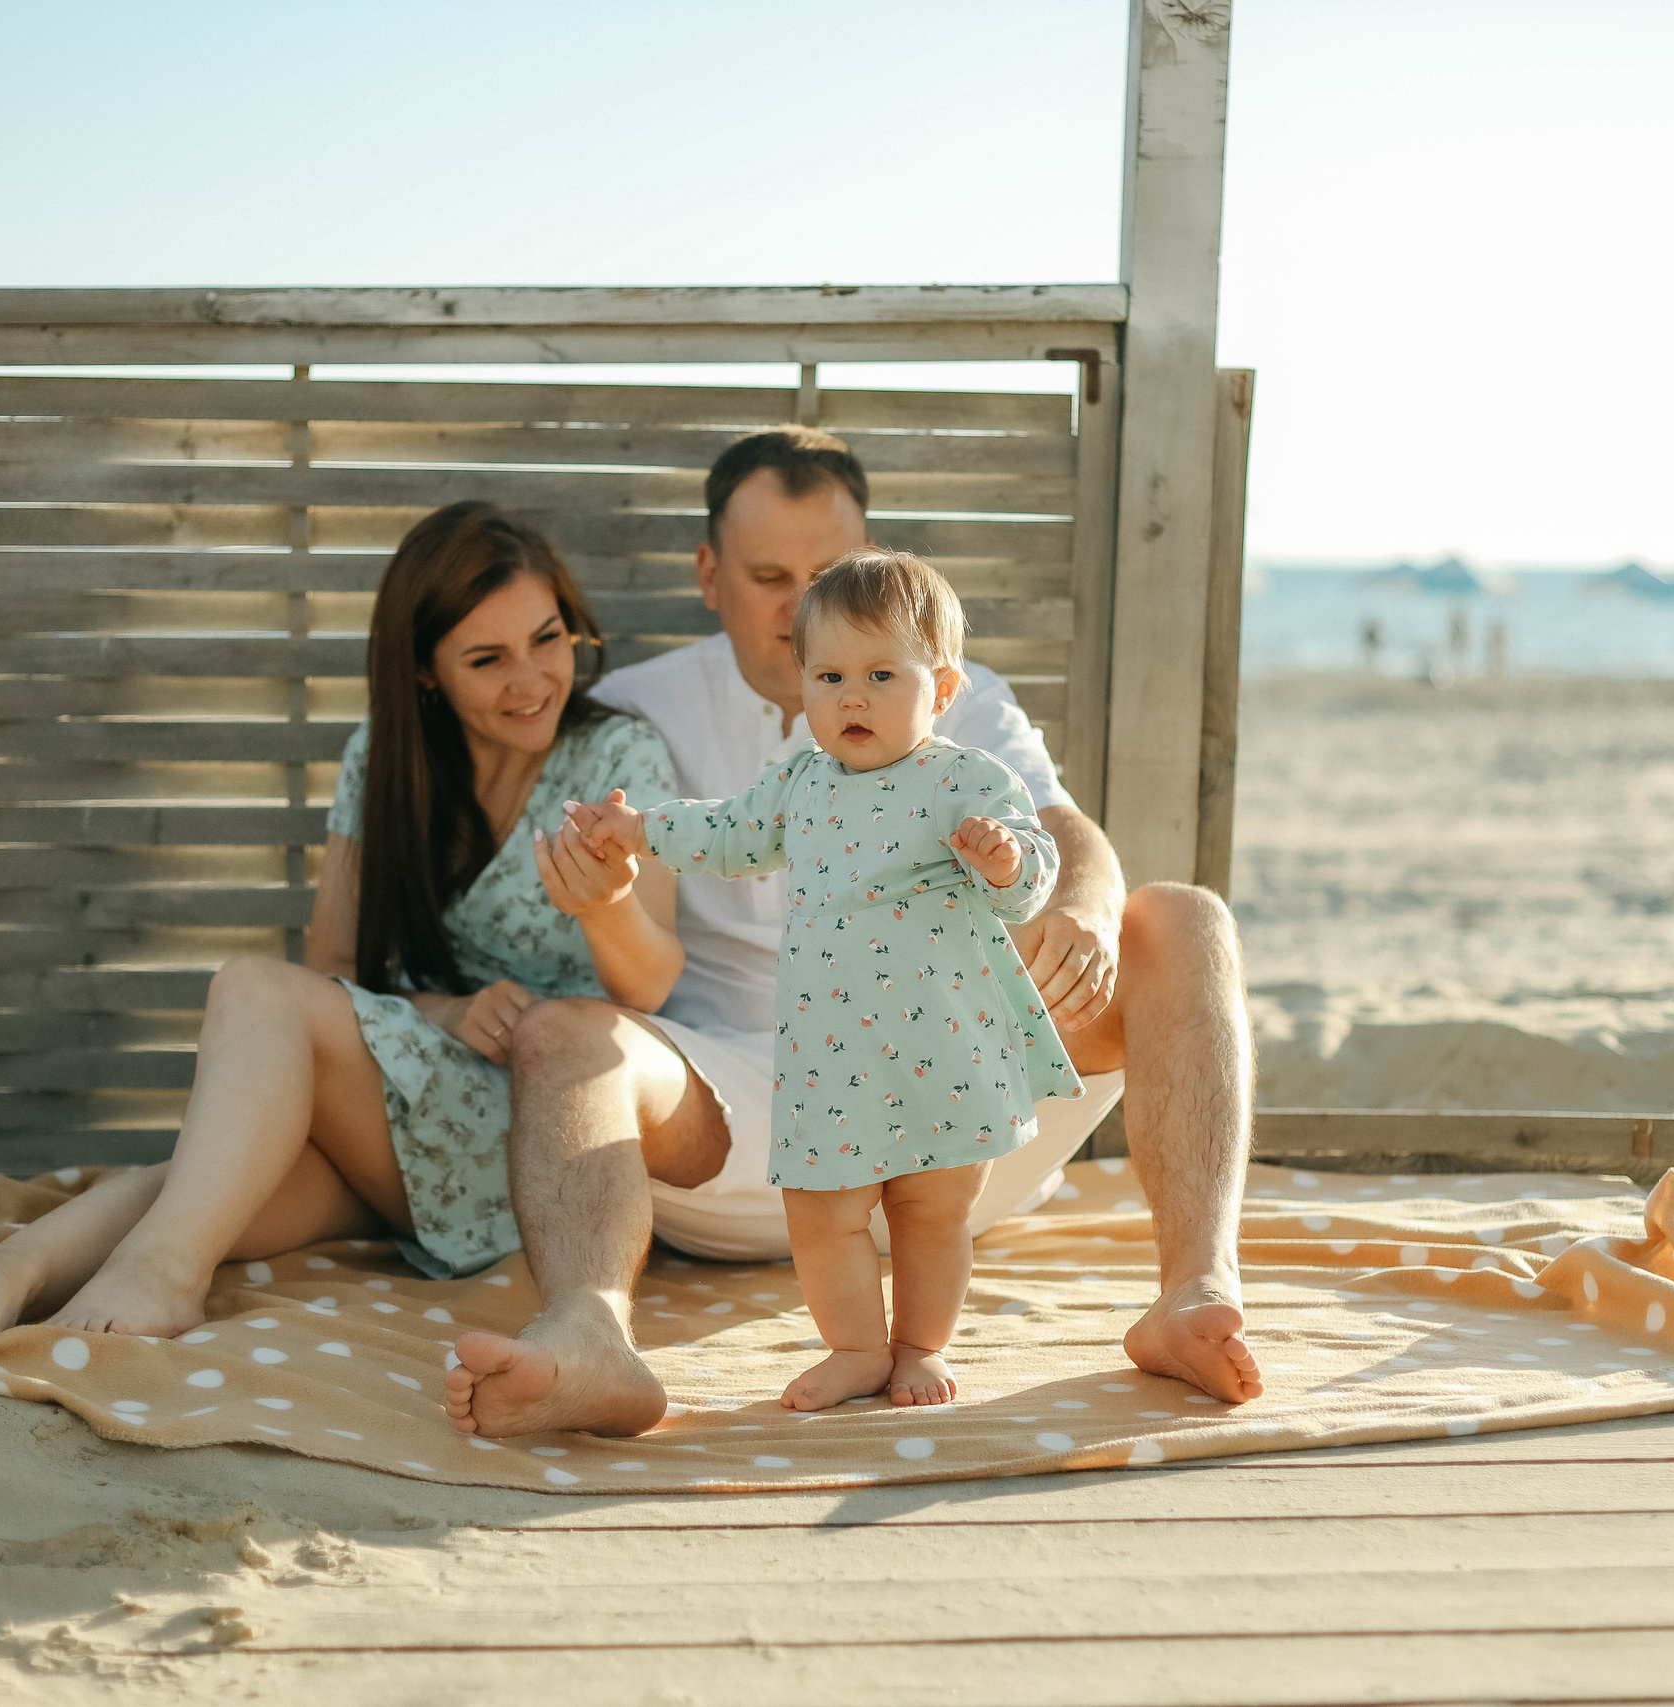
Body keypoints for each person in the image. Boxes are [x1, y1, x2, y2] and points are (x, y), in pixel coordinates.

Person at [443, 428, 1262, 1439]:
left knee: (1181, 917)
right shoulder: (627, 714)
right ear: (710, 575)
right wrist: (602, 865)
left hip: (954, 1091)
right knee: (565, 1036)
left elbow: (1058, 829)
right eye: (768, 576)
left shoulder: (952, 701)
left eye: (828, 573)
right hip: (753, 1114)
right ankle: (588, 1340)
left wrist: (1075, 910)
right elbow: (680, 844)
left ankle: (1191, 1294)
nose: (801, 606)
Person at [0, 504, 689, 1400]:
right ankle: (21, 1266)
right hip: (421, 1108)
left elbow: (652, 985)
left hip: (544, 1138)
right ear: (426, 673)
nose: (531, 678)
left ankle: (161, 1274)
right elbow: (335, 970)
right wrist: (442, 1010)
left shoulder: (620, 756)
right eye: (486, 658)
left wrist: (607, 904)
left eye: (548, 639)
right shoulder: (385, 761)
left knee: (249, 993)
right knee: (218, 1171)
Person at [570, 549, 1081, 1410]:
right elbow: (724, 835)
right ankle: (855, 1347)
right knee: (821, 1208)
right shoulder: (799, 786)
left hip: (944, 1044)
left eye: (883, 674)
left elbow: (1037, 869)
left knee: (932, 1209)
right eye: (830, 674)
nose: (852, 696)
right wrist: (639, 828)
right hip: (832, 1049)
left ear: (943, 689)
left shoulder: (963, 780)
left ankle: (919, 1345)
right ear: (801, 682)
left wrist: (1004, 861)